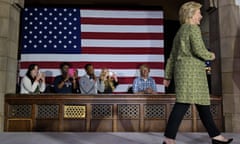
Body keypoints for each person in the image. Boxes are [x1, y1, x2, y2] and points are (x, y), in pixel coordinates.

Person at [162, 2, 233, 144]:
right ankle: (169, 139)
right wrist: (211, 55)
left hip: (183, 74)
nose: (201, 16)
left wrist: (167, 75)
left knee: (202, 105)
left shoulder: (180, 31)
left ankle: (216, 136)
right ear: (191, 14)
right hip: (193, 74)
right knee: (183, 104)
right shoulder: (193, 29)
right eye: (199, 13)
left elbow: (172, 56)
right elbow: (199, 50)